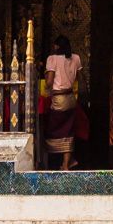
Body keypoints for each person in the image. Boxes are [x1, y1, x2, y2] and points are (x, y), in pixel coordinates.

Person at [43, 36, 84, 170]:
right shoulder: (76, 58)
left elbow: (49, 82)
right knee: (68, 130)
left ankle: (48, 161)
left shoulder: (52, 59)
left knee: (53, 130)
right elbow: (79, 78)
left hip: (59, 100)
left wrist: (45, 78)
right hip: (71, 98)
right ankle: (66, 163)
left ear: (56, 46)